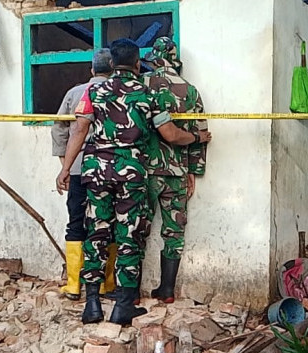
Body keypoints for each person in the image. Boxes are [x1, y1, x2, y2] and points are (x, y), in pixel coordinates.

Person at [55, 39, 211, 325]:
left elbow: (79, 130)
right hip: (131, 174)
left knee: (96, 233)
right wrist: (197, 138)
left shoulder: (94, 91)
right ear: (138, 63)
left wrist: (65, 168)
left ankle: (91, 305)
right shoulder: (146, 94)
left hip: (97, 171)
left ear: (112, 64)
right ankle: (124, 306)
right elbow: (171, 135)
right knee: (129, 236)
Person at [142, 37, 207, 303]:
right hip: (178, 172)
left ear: (154, 59)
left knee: (136, 227)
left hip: (144, 171)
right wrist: (194, 170)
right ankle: (167, 290)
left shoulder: (142, 85)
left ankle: (130, 293)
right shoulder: (191, 91)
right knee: (174, 231)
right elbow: (200, 132)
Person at [52, 49, 117, 301]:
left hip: (79, 169)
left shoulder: (74, 93)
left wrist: (65, 164)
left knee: (76, 223)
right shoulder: (120, 91)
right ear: (113, 68)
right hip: (111, 170)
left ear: (91, 70)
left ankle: (73, 285)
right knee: (106, 224)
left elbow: (59, 130)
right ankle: (105, 285)